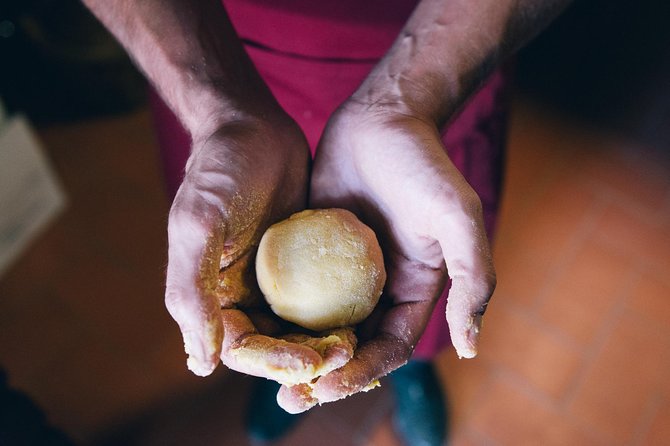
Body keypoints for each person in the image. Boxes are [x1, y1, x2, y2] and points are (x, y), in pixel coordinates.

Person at [82, 0, 570, 444]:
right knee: (231, 264)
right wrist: (221, 113)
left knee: (423, 273)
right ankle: (292, 371)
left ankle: (415, 370)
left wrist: (405, 101)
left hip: (443, 55)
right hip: (211, 56)